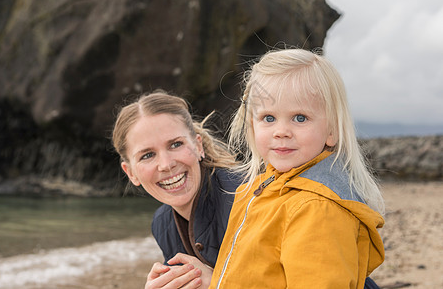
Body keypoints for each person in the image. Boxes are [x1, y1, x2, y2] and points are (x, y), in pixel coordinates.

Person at [208, 48, 385, 288]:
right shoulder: (260, 189)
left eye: (300, 118)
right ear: (252, 124)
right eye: (269, 118)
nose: (281, 131)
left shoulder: (316, 208)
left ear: (331, 130)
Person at [112, 90, 242, 288]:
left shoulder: (245, 197)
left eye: (175, 144)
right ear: (130, 173)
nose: (166, 164)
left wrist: (218, 284)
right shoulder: (162, 224)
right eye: (147, 155)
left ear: (198, 146)